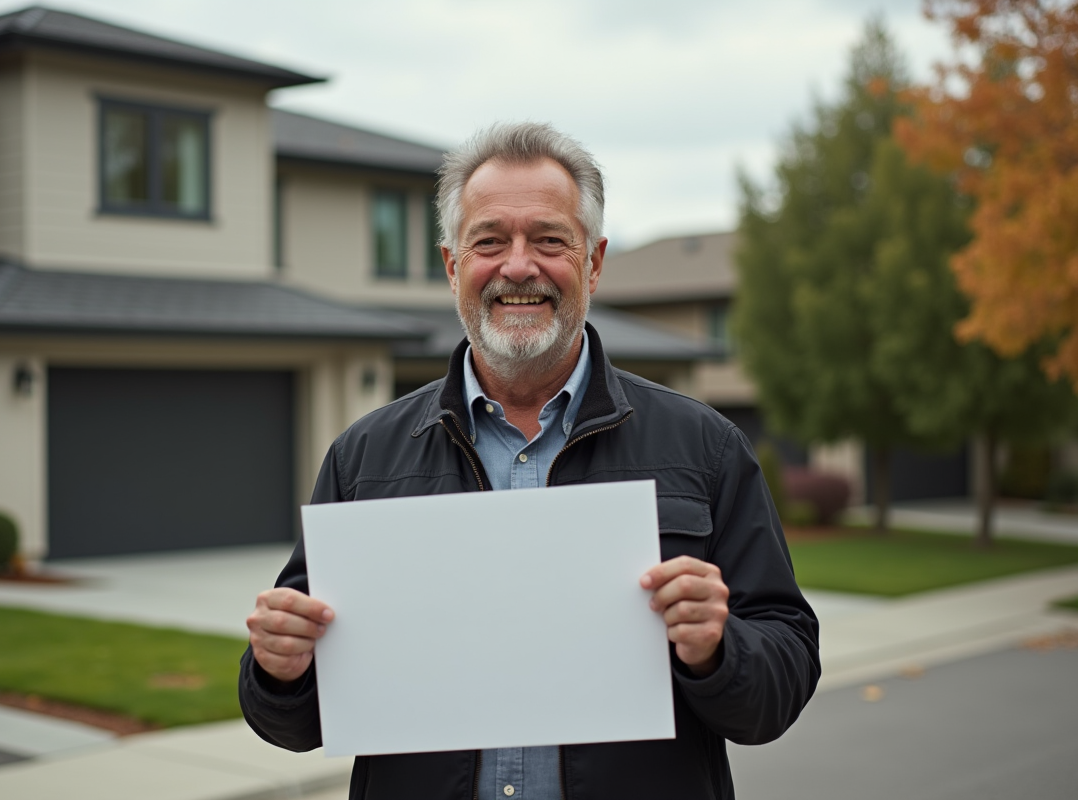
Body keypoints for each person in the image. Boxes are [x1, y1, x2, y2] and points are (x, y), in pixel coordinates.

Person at [239, 122, 820, 800]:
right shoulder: (364, 459)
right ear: (453, 265)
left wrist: (720, 652)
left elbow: (783, 678)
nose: (519, 266)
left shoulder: (705, 447)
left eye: (549, 239)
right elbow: (297, 720)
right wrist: (279, 671)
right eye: (489, 241)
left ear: (594, 263)